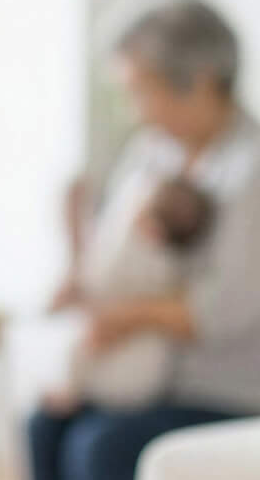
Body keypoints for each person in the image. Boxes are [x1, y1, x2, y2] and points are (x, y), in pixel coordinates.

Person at [28, 0, 260, 480]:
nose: (135, 110)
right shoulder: (156, 155)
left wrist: (118, 319)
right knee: (44, 425)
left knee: (103, 447)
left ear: (199, 80)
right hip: (170, 384)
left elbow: (218, 311)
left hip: (254, 398)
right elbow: (120, 257)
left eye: (140, 90)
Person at [42, 177, 218, 413]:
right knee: (43, 420)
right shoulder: (170, 265)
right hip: (128, 356)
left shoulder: (141, 257)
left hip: (128, 361)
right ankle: (76, 392)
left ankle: (75, 392)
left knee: (81, 355)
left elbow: (99, 283)